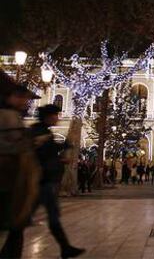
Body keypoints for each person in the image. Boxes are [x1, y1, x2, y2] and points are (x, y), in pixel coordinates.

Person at [30, 104, 85, 258]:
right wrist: (62, 148)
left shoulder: (44, 132)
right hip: (40, 181)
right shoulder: (39, 132)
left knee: (46, 215)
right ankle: (65, 247)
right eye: (56, 115)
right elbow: (41, 154)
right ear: (48, 116)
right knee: (28, 219)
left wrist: (60, 157)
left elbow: (48, 152)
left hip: (44, 181)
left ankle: (65, 247)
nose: (58, 117)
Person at [0, 81, 41, 259]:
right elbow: (14, 144)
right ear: (9, 97)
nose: (25, 101)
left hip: (12, 177)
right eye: (21, 97)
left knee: (14, 226)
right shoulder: (8, 116)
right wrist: (30, 142)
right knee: (13, 225)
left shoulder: (12, 115)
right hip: (8, 176)